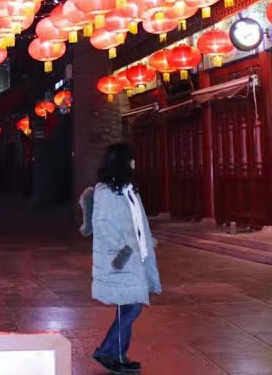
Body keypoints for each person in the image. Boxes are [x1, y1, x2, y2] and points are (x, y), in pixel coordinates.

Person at [89, 143, 161, 373]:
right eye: (131, 159)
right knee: (133, 305)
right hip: (121, 258)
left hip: (135, 256)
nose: (134, 163)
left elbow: (138, 222)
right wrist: (125, 251)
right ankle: (107, 351)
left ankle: (119, 354)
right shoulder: (105, 192)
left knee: (128, 305)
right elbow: (103, 226)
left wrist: (145, 243)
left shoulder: (128, 189)